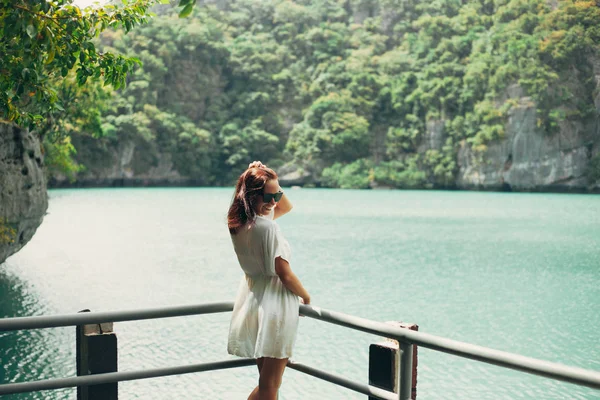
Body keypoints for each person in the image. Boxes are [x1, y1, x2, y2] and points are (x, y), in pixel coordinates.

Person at [227, 161, 311, 400]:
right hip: (275, 305)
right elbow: (284, 274)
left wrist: (269, 180)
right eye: (268, 196)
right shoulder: (268, 228)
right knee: (271, 384)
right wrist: (305, 296)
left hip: (254, 301)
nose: (274, 202)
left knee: (266, 381)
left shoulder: (240, 224)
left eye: (276, 195)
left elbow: (285, 205)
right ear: (252, 196)